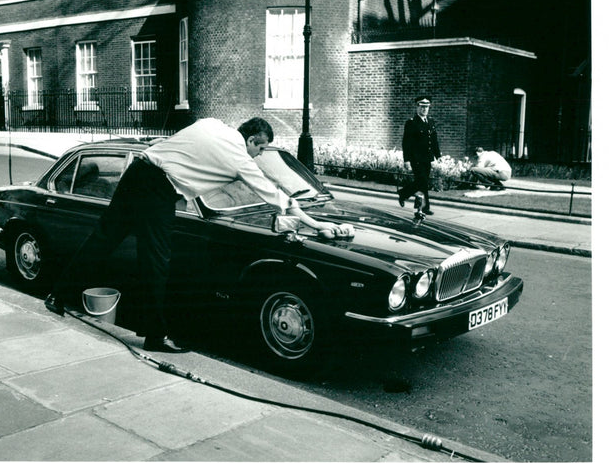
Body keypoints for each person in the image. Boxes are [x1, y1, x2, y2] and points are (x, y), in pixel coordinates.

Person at [44, 117, 345, 352]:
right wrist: (315, 225)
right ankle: (155, 336)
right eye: (261, 148)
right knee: (157, 261)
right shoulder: (239, 156)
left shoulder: (211, 124)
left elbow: (181, 147)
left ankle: (57, 295)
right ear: (252, 140)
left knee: (102, 240)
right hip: (157, 189)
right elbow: (274, 194)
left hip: (137, 173)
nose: (259, 154)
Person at [397, 95, 441, 215]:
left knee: (423, 182)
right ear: (417, 107)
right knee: (422, 180)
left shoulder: (431, 122)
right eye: (422, 107)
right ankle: (405, 194)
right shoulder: (411, 123)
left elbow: (434, 140)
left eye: (426, 107)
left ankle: (421, 207)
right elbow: (406, 143)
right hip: (415, 158)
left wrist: (438, 156)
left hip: (427, 158)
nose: (424, 109)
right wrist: (406, 160)